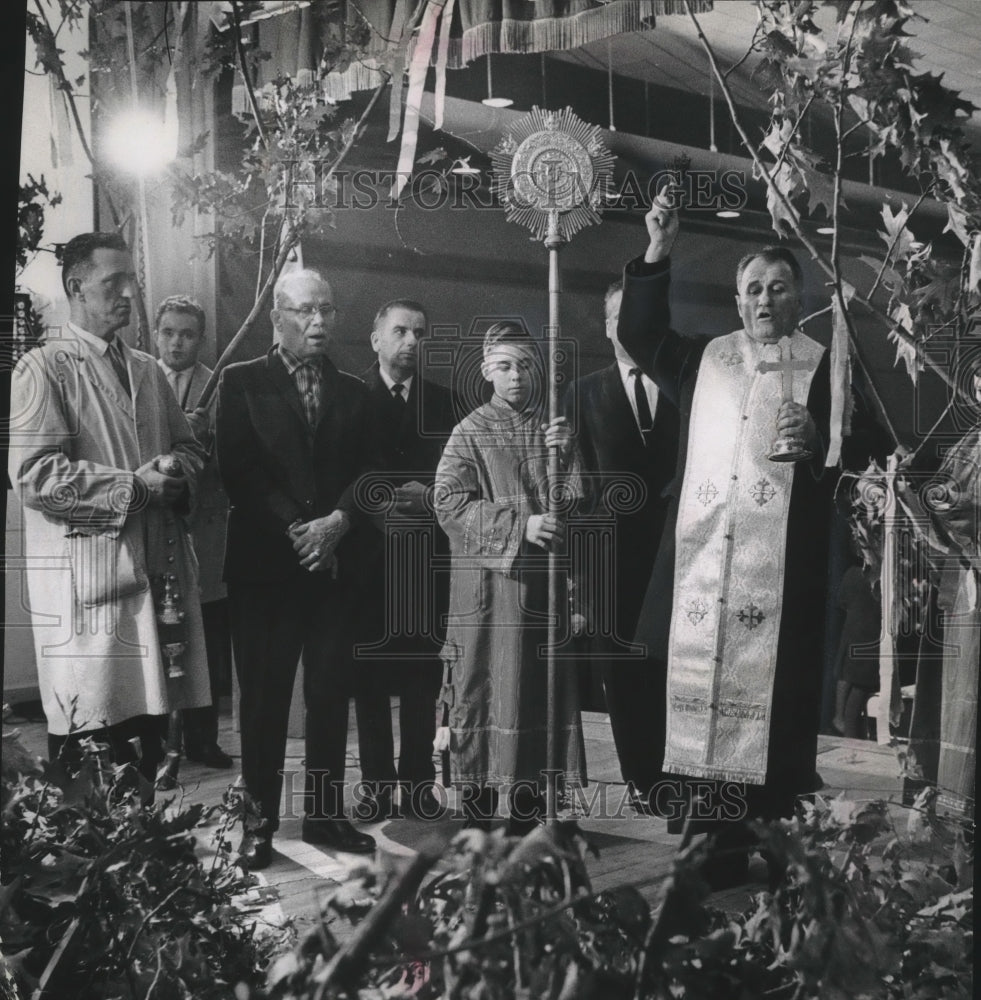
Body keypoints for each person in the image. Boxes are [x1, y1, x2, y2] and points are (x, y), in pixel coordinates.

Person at [617, 195, 888, 885]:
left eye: (777, 286)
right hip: (697, 571)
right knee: (678, 686)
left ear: (800, 295)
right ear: (736, 302)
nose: (764, 299)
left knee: (776, 710)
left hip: (782, 579)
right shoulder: (700, 359)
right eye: (752, 289)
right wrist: (656, 252)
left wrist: (822, 447)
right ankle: (703, 841)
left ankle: (767, 845)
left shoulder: (832, 368)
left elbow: (870, 460)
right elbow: (639, 333)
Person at [8, 232, 210, 784]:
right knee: (89, 736)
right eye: (112, 282)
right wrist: (135, 487)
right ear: (76, 287)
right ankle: (87, 866)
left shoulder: (147, 370)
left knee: (143, 738)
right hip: (89, 592)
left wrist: (174, 472)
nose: (128, 293)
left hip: (153, 579)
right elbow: (34, 474)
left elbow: (190, 449)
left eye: (132, 281)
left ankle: (142, 860)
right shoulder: (43, 367)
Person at [216, 268, 377, 868]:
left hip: (335, 570)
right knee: (262, 702)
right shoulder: (241, 383)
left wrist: (336, 523)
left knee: (331, 695)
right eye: (306, 311)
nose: (319, 322)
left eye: (328, 311)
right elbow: (241, 471)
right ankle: (257, 823)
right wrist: (300, 530)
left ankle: (327, 816)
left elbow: (371, 474)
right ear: (276, 317)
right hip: (266, 570)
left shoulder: (356, 392)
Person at [434, 322, 586, 834]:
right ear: (485, 372)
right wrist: (522, 525)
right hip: (489, 590)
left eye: (524, 364)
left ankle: (527, 810)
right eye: (504, 365)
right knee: (482, 686)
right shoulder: (469, 432)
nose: (516, 375)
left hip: (541, 589)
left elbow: (572, 505)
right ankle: (475, 813)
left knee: (533, 690)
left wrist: (565, 456)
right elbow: (447, 501)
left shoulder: (551, 429)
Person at [564, 280, 679, 813]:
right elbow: (571, 485)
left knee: (671, 667)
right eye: (617, 317)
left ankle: (677, 773)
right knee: (622, 670)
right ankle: (641, 778)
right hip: (607, 559)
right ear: (606, 326)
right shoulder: (582, 392)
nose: (626, 327)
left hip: (675, 553)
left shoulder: (685, 384)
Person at [350, 300, 457, 821]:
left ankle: (418, 780)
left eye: (419, 332)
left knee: (421, 675)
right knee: (369, 677)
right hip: (369, 559)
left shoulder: (446, 403)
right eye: (399, 331)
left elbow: (461, 478)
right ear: (376, 338)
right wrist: (380, 503)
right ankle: (374, 783)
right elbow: (340, 470)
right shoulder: (349, 398)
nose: (410, 342)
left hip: (425, 557)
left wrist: (432, 493)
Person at [154, 296, 234, 778]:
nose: (177, 342)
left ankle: (204, 739)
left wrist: (206, 437)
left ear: (200, 339)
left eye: (187, 334)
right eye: (168, 332)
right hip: (155, 530)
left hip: (204, 535)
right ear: (156, 333)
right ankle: (161, 745)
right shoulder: (140, 379)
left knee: (205, 639)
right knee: (161, 638)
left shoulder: (218, 386)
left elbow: (234, 462)